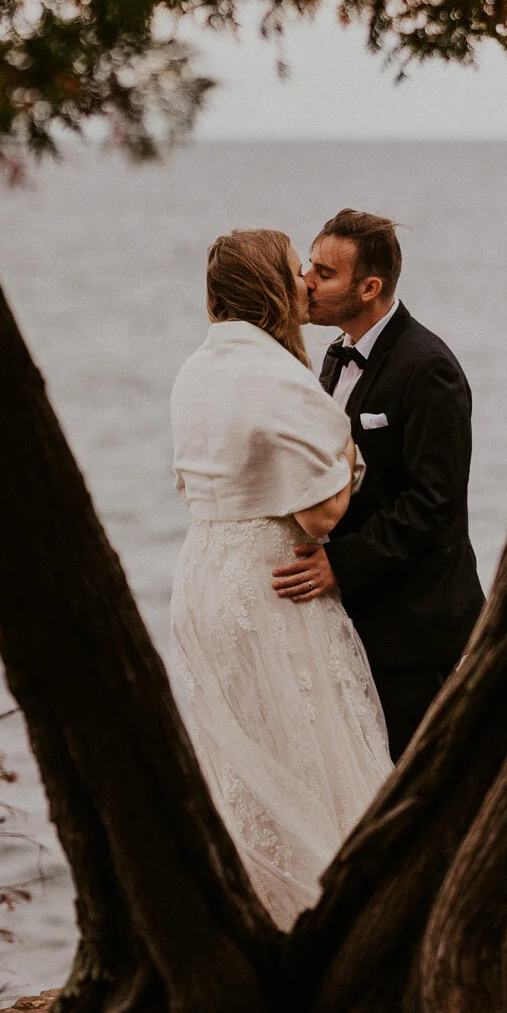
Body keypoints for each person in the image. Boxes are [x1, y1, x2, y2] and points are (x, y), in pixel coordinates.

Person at [166, 228, 392, 928]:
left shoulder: (195, 369)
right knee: (307, 750)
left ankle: (245, 915)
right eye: (296, 270)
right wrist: (350, 459)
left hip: (203, 576)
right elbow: (320, 514)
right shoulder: (273, 375)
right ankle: (326, 914)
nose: (307, 282)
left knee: (241, 759)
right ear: (270, 285)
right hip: (270, 583)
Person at [272, 210, 485, 759]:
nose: (306, 283)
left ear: (370, 288)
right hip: (360, 618)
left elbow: (433, 504)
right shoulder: (334, 355)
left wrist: (340, 564)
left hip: (416, 626)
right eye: (310, 267)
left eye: (323, 273)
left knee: (418, 788)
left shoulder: (429, 367)